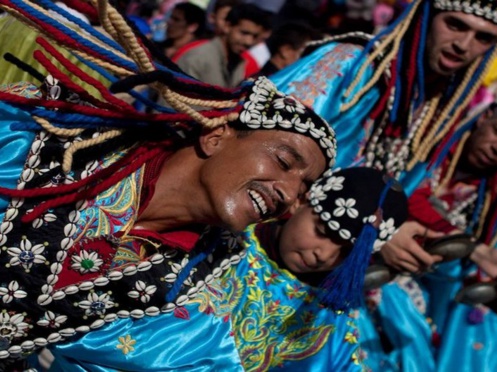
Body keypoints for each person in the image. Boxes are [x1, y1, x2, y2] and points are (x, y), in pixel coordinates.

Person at [0, 0, 336, 368]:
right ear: (217, 136)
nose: (288, 195)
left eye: (302, 191)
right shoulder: (45, 144)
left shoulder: (200, 293)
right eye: (285, 162)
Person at [49, 167, 409, 370]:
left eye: (345, 252)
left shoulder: (329, 323)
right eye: (322, 231)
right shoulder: (218, 240)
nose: (322, 254)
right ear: (301, 203)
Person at [370, 88, 497, 372]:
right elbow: (401, 190)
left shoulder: (495, 201)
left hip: (410, 299)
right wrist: (472, 247)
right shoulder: (425, 142)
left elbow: (490, 269)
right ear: (484, 117)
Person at [270, 0, 497, 178]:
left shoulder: (440, 105)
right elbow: (266, 141)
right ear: (426, 19)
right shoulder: (352, 62)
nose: (464, 45)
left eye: (483, 38)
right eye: (455, 25)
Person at [176, 3, 272, 88]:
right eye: (244, 33)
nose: (249, 41)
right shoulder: (198, 58)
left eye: (255, 36)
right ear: (227, 26)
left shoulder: (238, 63)